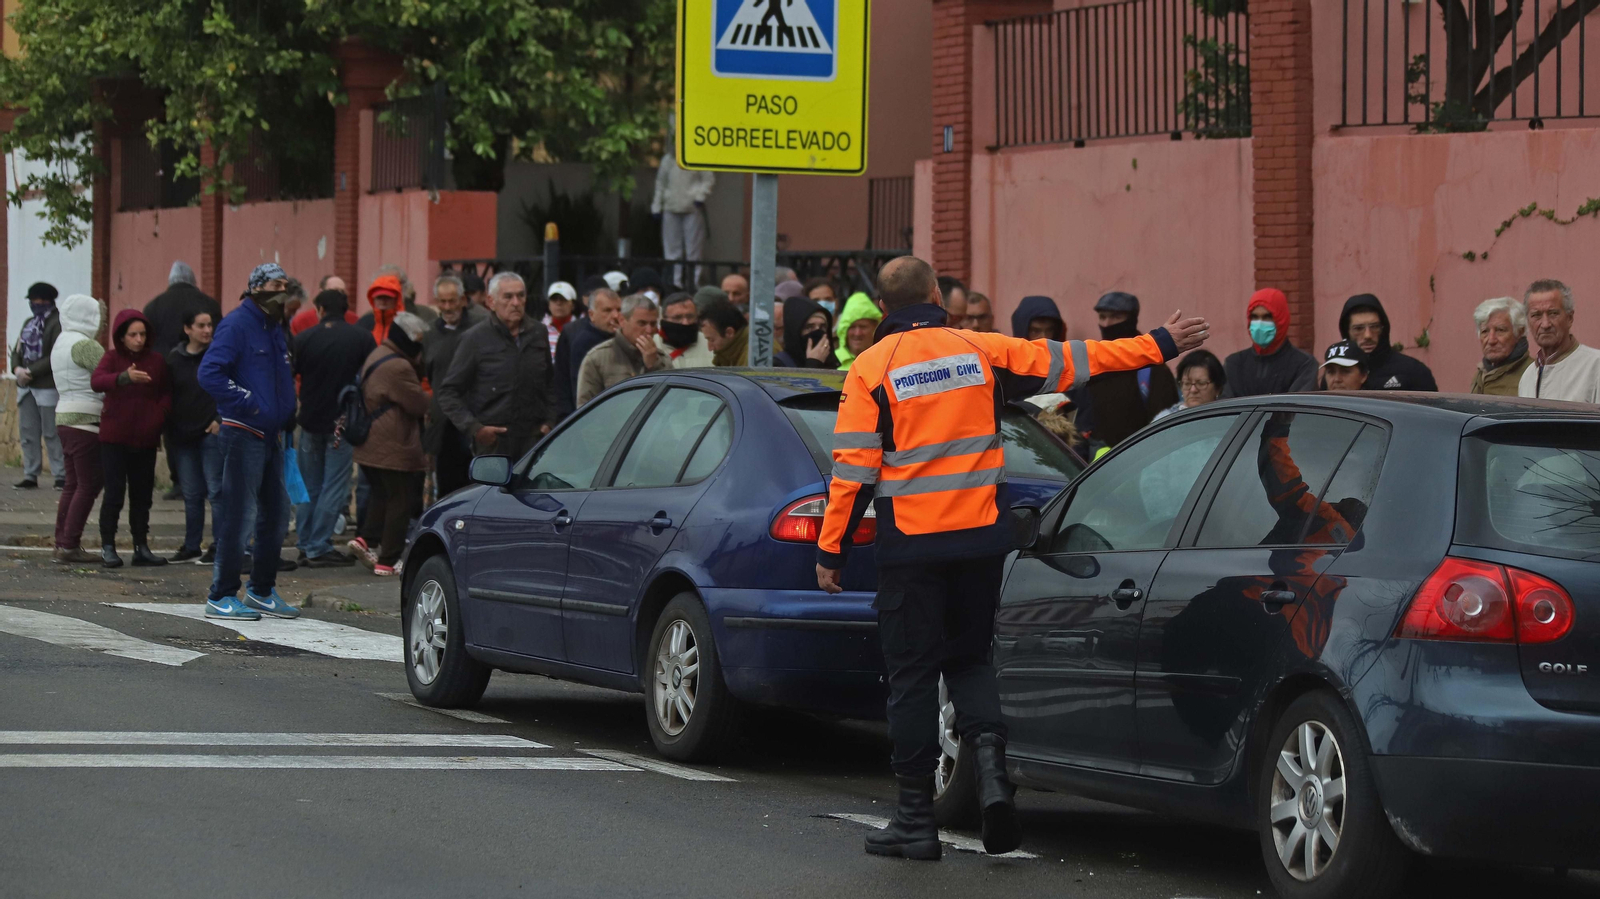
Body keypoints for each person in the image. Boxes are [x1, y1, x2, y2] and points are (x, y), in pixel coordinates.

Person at [814, 256, 1210, 861]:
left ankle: (915, 821)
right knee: (971, 663)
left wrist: (831, 551)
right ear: (939, 296)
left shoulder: (871, 368)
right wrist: (1158, 343)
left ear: (885, 310)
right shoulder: (979, 349)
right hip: (978, 544)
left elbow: (852, 473)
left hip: (911, 552)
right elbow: (1079, 360)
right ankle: (996, 781)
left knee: (914, 678)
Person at [197, 262, 301, 621]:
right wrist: (247, 402)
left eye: (285, 285)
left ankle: (260, 589)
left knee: (276, 514)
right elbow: (210, 372)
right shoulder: (237, 325)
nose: (281, 291)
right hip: (244, 432)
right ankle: (221, 594)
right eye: (275, 284)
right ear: (256, 287)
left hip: (271, 435)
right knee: (240, 516)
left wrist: (286, 410)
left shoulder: (274, 327)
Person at [436, 271, 560, 460]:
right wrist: (475, 429)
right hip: (494, 444)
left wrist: (549, 422)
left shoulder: (538, 333)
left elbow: (550, 382)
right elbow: (448, 392)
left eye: (520, 295)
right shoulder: (475, 339)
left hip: (534, 442)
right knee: (493, 490)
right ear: (491, 301)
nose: (516, 303)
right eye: (508, 297)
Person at [291, 288, 375, 567]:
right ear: (346, 309)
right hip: (343, 423)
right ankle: (318, 544)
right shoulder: (361, 338)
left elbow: (290, 374)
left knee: (307, 485)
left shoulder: (303, 339)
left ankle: (306, 541)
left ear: (320, 310)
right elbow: (371, 376)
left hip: (309, 421)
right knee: (334, 485)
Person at [348, 312, 431, 576]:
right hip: (394, 442)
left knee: (381, 494)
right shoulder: (400, 367)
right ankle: (388, 559)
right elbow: (417, 404)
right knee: (400, 499)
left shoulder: (379, 353)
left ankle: (366, 539)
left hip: (371, 441)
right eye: (418, 341)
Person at [90, 309, 171, 568]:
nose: (138, 339)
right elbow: (97, 381)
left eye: (142, 334)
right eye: (133, 334)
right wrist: (124, 377)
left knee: (142, 496)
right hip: (115, 438)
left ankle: (141, 546)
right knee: (114, 493)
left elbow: (166, 392)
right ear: (121, 337)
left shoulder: (156, 360)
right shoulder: (112, 358)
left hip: (145, 439)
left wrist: (159, 416)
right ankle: (108, 546)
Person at [1076, 292, 1180, 448]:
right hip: (1097, 461)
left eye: (1115, 317)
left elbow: (1163, 424)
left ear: (1130, 320)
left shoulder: (1152, 365)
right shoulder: (1093, 359)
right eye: (1102, 317)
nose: (1106, 324)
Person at [50, 294, 107, 564]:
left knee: (72, 484)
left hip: (64, 416)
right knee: (89, 484)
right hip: (86, 417)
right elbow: (106, 376)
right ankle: (70, 544)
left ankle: (62, 541)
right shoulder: (86, 345)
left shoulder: (61, 342)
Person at [165, 309, 221, 562]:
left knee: (216, 491)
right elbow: (167, 395)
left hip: (211, 433)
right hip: (182, 436)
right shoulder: (175, 359)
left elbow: (230, 388)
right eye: (201, 325)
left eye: (209, 325)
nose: (207, 330)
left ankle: (219, 544)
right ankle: (191, 544)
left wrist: (220, 419)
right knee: (191, 494)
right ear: (188, 329)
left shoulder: (218, 356)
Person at [423, 274, 484, 497]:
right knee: (446, 489)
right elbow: (426, 374)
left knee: (474, 486)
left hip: (474, 420)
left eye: (452, 300)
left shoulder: (481, 329)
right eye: (442, 301)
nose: (448, 307)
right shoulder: (429, 334)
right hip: (442, 422)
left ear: (463, 300)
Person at [10, 281, 64, 490]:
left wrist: (32, 371)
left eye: (38, 300)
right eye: (32, 300)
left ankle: (60, 475)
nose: (35, 303)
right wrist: (17, 369)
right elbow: (17, 350)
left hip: (47, 386)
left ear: (48, 300)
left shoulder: (56, 323)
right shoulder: (29, 323)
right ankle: (30, 474)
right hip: (26, 387)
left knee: (52, 432)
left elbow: (54, 355)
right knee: (28, 432)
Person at [1221, 288, 1318, 397]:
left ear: (1281, 319)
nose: (1259, 324)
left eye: (1267, 317)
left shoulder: (1303, 365)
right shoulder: (1234, 364)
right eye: (1254, 317)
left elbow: (1296, 409)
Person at [576, 293, 667, 406]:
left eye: (653, 324)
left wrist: (653, 366)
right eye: (642, 323)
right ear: (622, 320)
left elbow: (671, 404)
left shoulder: (662, 359)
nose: (649, 330)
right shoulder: (597, 358)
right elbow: (585, 409)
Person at [652, 127, 715, 288]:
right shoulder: (668, 160)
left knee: (694, 250)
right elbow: (660, 183)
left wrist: (699, 197)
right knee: (672, 250)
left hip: (692, 209)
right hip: (671, 208)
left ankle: (693, 283)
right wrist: (657, 206)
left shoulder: (697, 156)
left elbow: (708, 179)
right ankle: (675, 283)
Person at [1518, 278, 1600, 402]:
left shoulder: (1595, 367)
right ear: (1528, 321)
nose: (1545, 324)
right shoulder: (1527, 376)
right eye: (1536, 315)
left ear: (1570, 318)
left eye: (1553, 313)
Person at [1339, 293, 1437, 390]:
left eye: (1374, 327)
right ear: (1347, 332)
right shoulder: (1335, 376)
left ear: (1383, 329)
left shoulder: (1414, 371)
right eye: (1358, 329)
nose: (1367, 335)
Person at [553, 287, 622, 418]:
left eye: (618, 310)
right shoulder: (580, 341)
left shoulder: (625, 338)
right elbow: (566, 385)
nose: (615, 316)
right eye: (607, 310)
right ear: (591, 315)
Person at [143, 261, 222, 355]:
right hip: (202, 360)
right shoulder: (210, 304)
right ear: (193, 281)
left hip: (163, 364)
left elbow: (146, 341)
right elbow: (219, 336)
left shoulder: (152, 307)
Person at [1470, 296, 1532, 395]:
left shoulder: (1532, 375)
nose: (1491, 340)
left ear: (1519, 332)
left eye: (1500, 330)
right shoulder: (1481, 373)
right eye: (1485, 331)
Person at [1156, 350, 1226, 419]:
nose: (1193, 390)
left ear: (1218, 388)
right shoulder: (1166, 419)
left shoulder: (1228, 417)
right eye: (1187, 383)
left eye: (1201, 383)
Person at [656, 291, 715, 368]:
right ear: (664, 319)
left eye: (690, 317)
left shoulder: (711, 344)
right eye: (677, 317)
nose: (685, 323)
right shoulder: (653, 345)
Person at [775, 295, 836, 368]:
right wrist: (813, 363)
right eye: (809, 327)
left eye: (823, 326)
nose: (817, 331)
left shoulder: (831, 361)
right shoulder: (778, 364)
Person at [834, 292, 883, 370]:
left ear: (875, 328)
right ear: (844, 330)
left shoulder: (885, 360)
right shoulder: (832, 361)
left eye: (863, 327)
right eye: (852, 327)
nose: (857, 333)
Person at [699, 298, 749, 367]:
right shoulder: (732, 355)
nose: (710, 348)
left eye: (712, 340)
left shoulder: (751, 357)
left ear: (729, 333)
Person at [360, 274, 404, 345]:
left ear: (396, 300)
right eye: (379, 297)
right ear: (373, 300)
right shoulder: (364, 323)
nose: (383, 301)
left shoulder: (404, 325)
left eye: (387, 297)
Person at [543, 281, 577, 359]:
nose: (558, 303)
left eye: (563, 299)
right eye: (554, 300)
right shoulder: (540, 329)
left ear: (573, 305)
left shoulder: (580, 328)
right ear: (549, 305)